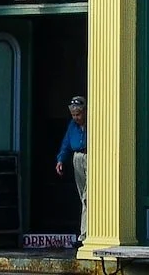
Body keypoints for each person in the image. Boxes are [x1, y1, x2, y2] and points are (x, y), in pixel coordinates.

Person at [54, 95, 87, 239]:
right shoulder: (72, 126)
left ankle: (85, 233)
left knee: (88, 196)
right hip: (77, 158)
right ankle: (86, 230)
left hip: (90, 155)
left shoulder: (93, 123)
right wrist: (60, 160)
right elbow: (66, 144)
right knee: (83, 196)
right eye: (73, 115)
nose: (76, 118)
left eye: (78, 114)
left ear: (85, 111)